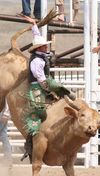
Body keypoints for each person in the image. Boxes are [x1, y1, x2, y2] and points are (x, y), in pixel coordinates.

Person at [21, 16, 76, 161]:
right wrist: (48, 90)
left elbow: (37, 35)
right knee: (38, 111)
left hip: (42, 82)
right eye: (44, 46)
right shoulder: (37, 61)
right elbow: (40, 78)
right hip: (36, 87)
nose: (46, 47)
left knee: (53, 84)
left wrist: (34, 24)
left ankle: (66, 94)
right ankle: (31, 140)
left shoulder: (40, 56)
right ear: (39, 48)